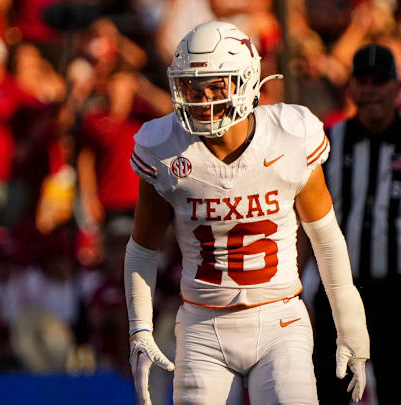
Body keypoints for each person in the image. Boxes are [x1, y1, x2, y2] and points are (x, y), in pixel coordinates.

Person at [123, 21, 370, 405]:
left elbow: (325, 237)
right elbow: (142, 249)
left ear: (246, 81)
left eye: (216, 85)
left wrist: (351, 324)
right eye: (191, 85)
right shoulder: (165, 148)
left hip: (280, 321)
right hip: (203, 324)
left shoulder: (290, 134)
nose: (202, 98)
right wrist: (139, 329)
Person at [313, 43, 401, 404]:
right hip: (338, 294)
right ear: (350, 87)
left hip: (400, 297)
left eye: (380, 81)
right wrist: (295, 293)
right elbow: (305, 224)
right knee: (328, 396)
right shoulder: (328, 144)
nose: (371, 89)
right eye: (363, 80)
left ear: (397, 87)